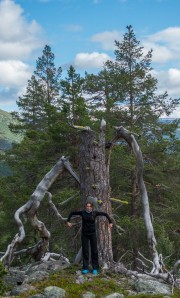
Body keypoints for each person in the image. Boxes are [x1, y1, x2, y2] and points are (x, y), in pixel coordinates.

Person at [67, 201, 113, 275]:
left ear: (92, 207)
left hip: (92, 234)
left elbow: (105, 214)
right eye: (87, 206)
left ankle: (95, 268)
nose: (88, 207)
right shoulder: (82, 213)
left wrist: (110, 222)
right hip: (84, 234)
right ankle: (85, 268)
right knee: (85, 251)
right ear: (85, 207)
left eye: (89, 206)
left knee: (94, 251)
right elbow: (72, 213)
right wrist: (68, 222)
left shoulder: (94, 213)